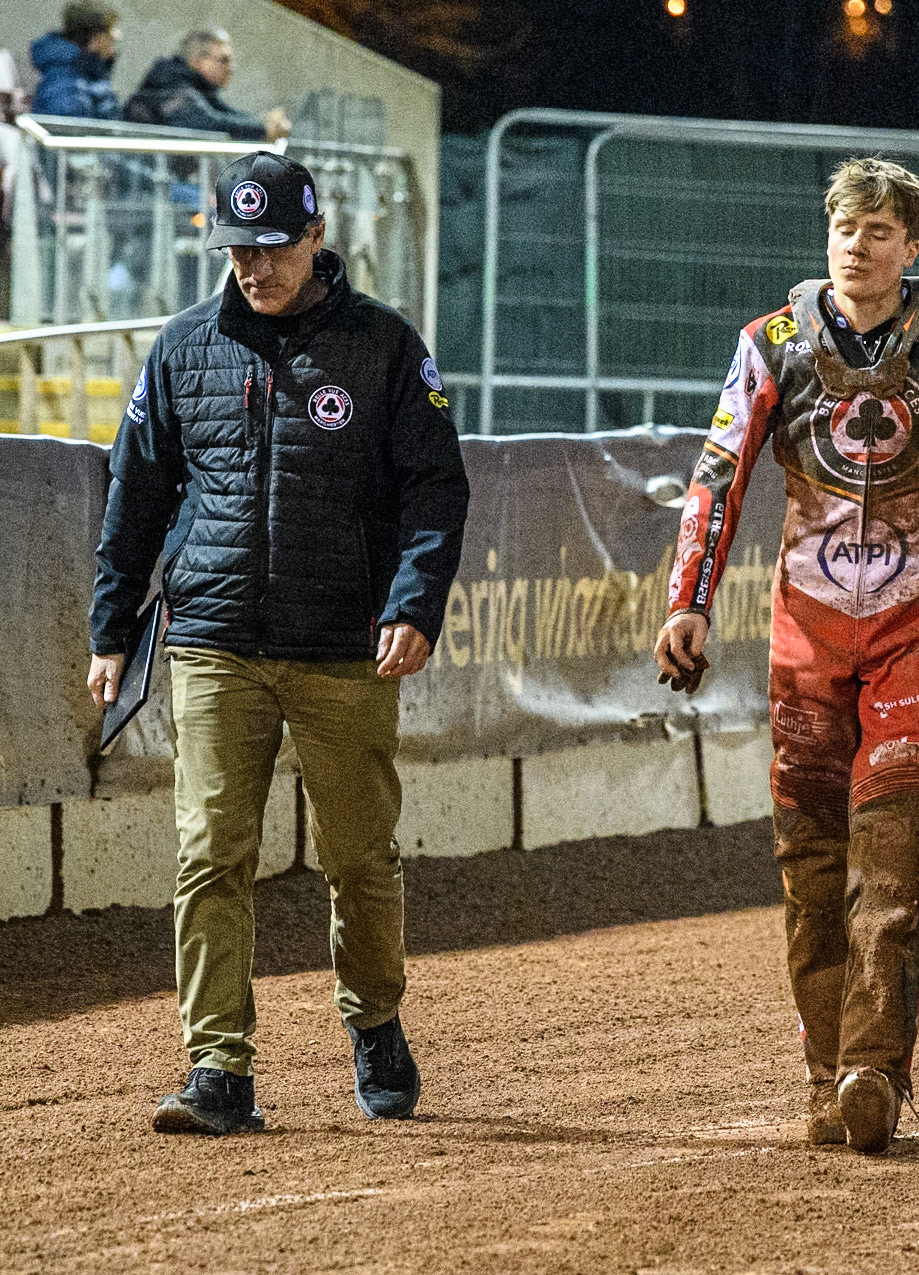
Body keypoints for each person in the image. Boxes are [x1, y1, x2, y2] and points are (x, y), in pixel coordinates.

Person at [653, 158, 919, 1155]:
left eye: (879, 231)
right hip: (804, 637)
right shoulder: (770, 344)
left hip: (915, 630)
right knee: (808, 866)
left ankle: (874, 1070)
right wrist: (687, 602)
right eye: (844, 226)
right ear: (823, 234)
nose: (857, 244)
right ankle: (823, 1073)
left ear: (910, 247)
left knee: (895, 857)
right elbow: (719, 469)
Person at [88, 152, 468, 1135]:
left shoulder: (383, 348)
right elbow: (136, 498)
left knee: (358, 859)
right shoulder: (182, 348)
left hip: (345, 643)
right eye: (239, 249)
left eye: (272, 248)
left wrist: (413, 604)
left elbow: (434, 488)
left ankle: (375, 1019)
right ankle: (218, 1069)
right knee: (210, 853)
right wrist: (110, 629)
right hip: (214, 640)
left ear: (314, 238)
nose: (255, 267)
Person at [123, 28, 289, 142]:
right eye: (224, 60)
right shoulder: (171, 83)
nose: (231, 68)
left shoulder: (196, 85)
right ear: (197, 61)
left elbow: (222, 111)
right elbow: (209, 124)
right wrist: (264, 129)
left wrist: (262, 123)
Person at [29, 3, 121, 121]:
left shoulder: (90, 76)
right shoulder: (67, 87)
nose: (117, 36)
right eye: (109, 34)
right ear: (95, 41)